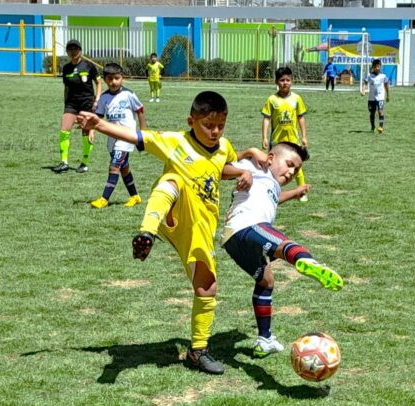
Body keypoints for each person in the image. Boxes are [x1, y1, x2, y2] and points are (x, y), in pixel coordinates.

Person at [78, 91, 265, 375]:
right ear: (191, 121)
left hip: (200, 228)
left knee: (207, 288)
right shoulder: (176, 141)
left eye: (220, 126)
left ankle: (197, 351)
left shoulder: (223, 146)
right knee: (172, 179)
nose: (215, 131)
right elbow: (137, 136)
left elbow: (219, 166)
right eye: (208, 125)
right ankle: (146, 233)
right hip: (171, 214)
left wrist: (243, 171)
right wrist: (98, 124)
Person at [221, 142, 344, 358]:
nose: (291, 172)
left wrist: (295, 193)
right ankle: (307, 260)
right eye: (289, 164)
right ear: (270, 157)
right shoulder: (257, 165)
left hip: (233, 239)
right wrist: (246, 162)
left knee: (266, 281)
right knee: (283, 242)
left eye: (296, 170)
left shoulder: (271, 183)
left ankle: (265, 339)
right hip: (248, 225)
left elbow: (273, 199)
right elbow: (218, 169)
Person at [90, 63, 147, 209]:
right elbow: (98, 117)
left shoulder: (128, 94)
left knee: (114, 166)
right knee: (124, 167)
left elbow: (140, 110)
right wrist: (91, 130)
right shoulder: (104, 98)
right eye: (110, 79)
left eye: (117, 78)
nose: (113, 82)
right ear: (105, 80)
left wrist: (143, 132)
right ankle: (135, 196)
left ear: (123, 79)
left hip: (127, 137)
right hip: (112, 137)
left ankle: (104, 199)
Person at [53, 39, 102, 174]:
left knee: (86, 133)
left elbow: (98, 83)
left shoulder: (89, 66)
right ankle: (64, 162)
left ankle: (84, 163)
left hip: (86, 104)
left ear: (80, 51)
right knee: (64, 130)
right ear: (67, 51)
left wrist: (97, 100)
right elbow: (66, 87)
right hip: (71, 104)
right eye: (70, 49)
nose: (73, 51)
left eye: (75, 49)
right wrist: (65, 104)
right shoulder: (66, 68)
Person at [261, 67, 309, 202]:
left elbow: (301, 117)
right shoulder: (272, 99)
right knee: (273, 165)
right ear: (276, 82)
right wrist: (264, 136)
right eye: (282, 80)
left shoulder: (296, 99)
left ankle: (302, 190)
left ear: (292, 81)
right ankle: (271, 189)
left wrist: (304, 136)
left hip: (293, 139)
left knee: (296, 166)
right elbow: (266, 118)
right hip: (277, 140)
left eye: (288, 80)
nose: (285, 83)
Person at [361, 58, 390, 134]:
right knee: (372, 113)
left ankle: (381, 127)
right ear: (373, 67)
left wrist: (388, 95)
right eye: (376, 66)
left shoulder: (383, 76)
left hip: (380, 97)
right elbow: (364, 82)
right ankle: (373, 127)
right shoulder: (369, 75)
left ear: (380, 67)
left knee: (380, 111)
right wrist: (363, 90)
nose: (377, 68)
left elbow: (386, 85)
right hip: (371, 98)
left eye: (379, 66)